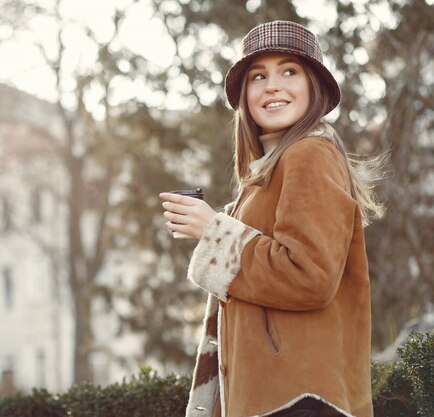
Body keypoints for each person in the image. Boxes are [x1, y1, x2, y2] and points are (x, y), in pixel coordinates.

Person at [159, 20, 384, 417]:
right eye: (258, 76)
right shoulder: (265, 173)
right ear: (245, 96)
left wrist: (213, 231)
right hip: (278, 395)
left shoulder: (308, 154)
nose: (272, 85)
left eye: (289, 71)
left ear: (314, 86)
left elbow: (309, 276)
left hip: (297, 397)